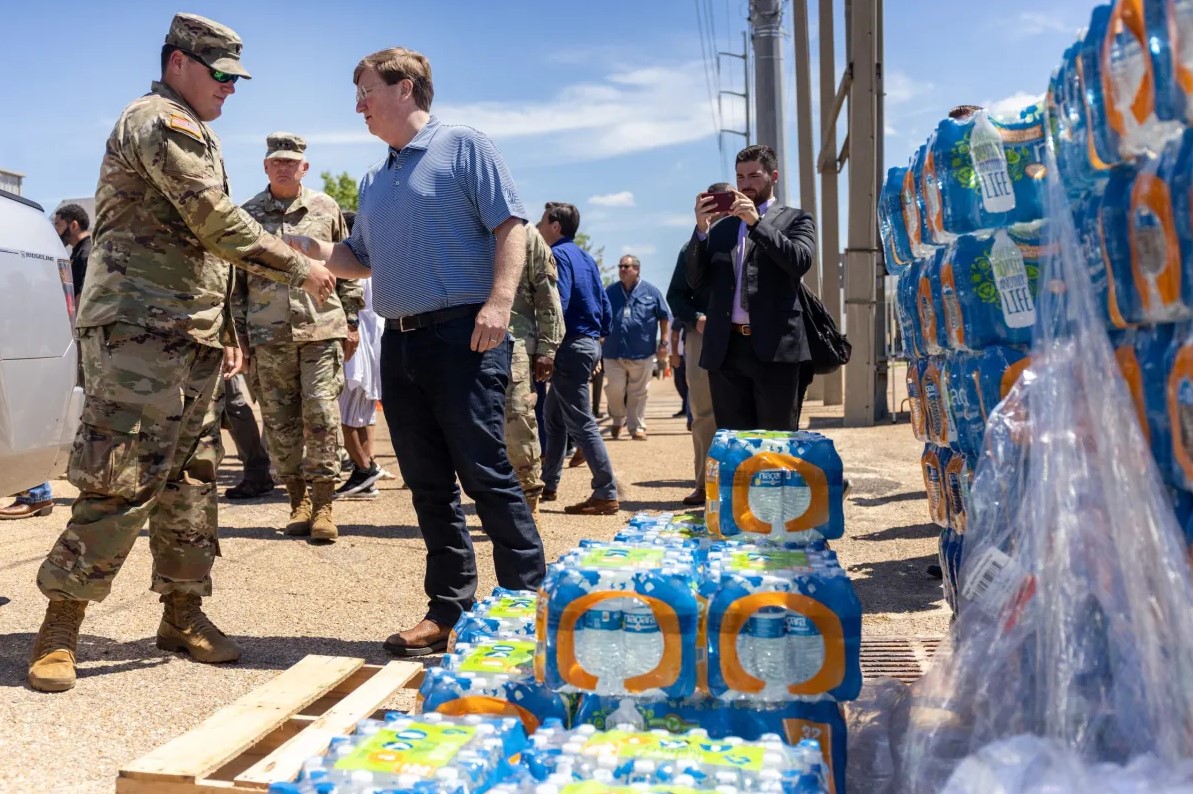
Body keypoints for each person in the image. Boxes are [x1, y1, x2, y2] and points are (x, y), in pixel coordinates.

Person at [28, 12, 337, 693]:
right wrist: (298, 265)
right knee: (121, 472)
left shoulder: (196, 129)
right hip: (140, 329)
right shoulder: (158, 121)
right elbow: (214, 221)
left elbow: (203, 253)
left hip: (190, 331)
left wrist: (225, 331)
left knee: (193, 477)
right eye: (221, 73)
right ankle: (60, 625)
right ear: (178, 63)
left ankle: (182, 614)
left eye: (237, 78)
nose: (231, 88)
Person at [283, 47, 545, 656]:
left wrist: (500, 302)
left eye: (366, 91)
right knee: (427, 487)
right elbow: (358, 259)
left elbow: (511, 226)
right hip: (400, 342)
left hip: (464, 335)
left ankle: (525, 611)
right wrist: (309, 249)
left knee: (486, 476)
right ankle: (449, 610)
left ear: (405, 88)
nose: (359, 106)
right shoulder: (375, 179)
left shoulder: (464, 146)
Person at [236, 132, 362, 543]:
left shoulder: (326, 208)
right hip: (267, 334)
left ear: (304, 167)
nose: (283, 167)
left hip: (321, 328)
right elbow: (236, 282)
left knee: (322, 414)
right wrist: (239, 337)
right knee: (280, 421)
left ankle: (324, 505)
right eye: (276, 161)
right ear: (265, 166)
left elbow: (346, 263)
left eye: (291, 161)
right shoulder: (247, 215)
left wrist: (352, 320)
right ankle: (298, 501)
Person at [686, 144, 815, 431]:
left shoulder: (796, 219)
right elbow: (695, 281)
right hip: (727, 350)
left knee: (775, 440)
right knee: (736, 443)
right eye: (740, 177)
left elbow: (799, 262)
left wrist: (757, 223)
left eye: (754, 176)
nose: (746, 184)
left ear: (773, 176)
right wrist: (701, 231)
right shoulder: (722, 229)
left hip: (776, 349)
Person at [537, 202, 620, 515]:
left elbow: (558, 301)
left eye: (542, 222)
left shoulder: (556, 255)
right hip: (586, 343)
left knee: (581, 421)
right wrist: (597, 339)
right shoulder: (585, 258)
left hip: (570, 345)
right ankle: (548, 483)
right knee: (554, 416)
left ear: (555, 226)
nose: (538, 227)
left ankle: (606, 491)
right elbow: (605, 305)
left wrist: (546, 345)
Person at [667, 181, 733, 505]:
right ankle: (704, 485)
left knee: (742, 410)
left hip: (743, 336)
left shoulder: (753, 239)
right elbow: (676, 295)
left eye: (728, 201)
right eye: (714, 203)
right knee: (704, 413)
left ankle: (741, 485)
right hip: (703, 336)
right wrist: (696, 318)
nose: (721, 209)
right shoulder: (692, 247)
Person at [505, 223, 564, 516]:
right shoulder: (457, 224)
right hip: (466, 339)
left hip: (514, 340)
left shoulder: (526, 233)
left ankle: (529, 501)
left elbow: (547, 292)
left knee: (518, 419)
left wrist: (548, 348)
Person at [336, 210, 389, 500]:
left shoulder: (351, 264)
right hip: (372, 342)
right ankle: (366, 471)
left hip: (356, 345)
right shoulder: (377, 260)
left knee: (344, 417)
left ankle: (365, 469)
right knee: (363, 414)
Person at [603, 255, 671, 440]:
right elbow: (600, 314)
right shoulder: (610, 291)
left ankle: (636, 427)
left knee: (638, 393)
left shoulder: (651, 291)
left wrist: (664, 343)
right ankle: (618, 419)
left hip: (642, 351)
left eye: (626, 266)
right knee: (614, 388)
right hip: (613, 351)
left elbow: (664, 317)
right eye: (620, 266)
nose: (622, 270)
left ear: (637, 269)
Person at [53, 203, 92, 299]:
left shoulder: (86, 254)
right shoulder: (78, 252)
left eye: (58, 225)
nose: (55, 231)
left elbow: (83, 296)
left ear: (74, 226)